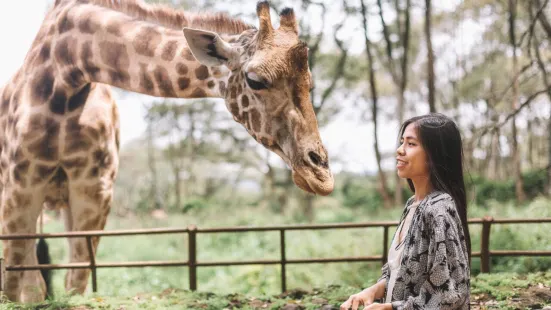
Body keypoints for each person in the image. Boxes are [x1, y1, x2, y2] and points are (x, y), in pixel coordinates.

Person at [340, 113, 471, 310]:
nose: (399, 151)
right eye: (402, 142)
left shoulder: (439, 209)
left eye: (411, 144)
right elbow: (403, 274)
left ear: (434, 154)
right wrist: (372, 292)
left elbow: (448, 294)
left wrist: (391, 308)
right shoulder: (413, 205)